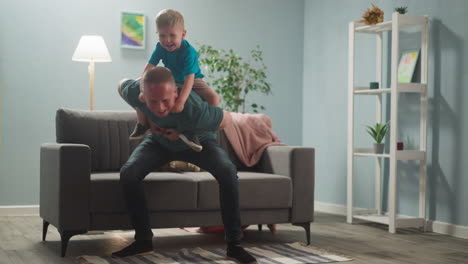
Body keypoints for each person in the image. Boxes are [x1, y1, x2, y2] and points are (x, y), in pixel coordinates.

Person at [113, 66, 256, 264]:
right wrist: (143, 115)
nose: (161, 108)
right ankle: (143, 240)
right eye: (153, 101)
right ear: (143, 96)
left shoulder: (195, 110)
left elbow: (227, 119)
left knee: (227, 172)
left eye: (166, 100)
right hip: (159, 142)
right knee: (129, 173)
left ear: (176, 93)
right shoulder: (136, 93)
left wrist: (183, 130)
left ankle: (234, 245)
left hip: (198, 142)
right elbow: (121, 85)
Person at [130, 9, 219, 142]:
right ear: (157, 34)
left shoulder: (189, 52)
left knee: (214, 97)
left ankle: (205, 132)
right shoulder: (160, 47)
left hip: (192, 80)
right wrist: (143, 90)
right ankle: (142, 124)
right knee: (136, 84)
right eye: (162, 36)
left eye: (172, 35)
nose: (167, 40)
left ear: (183, 34)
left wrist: (181, 102)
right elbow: (148, 68)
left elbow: (190, 79)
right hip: (171, 79)